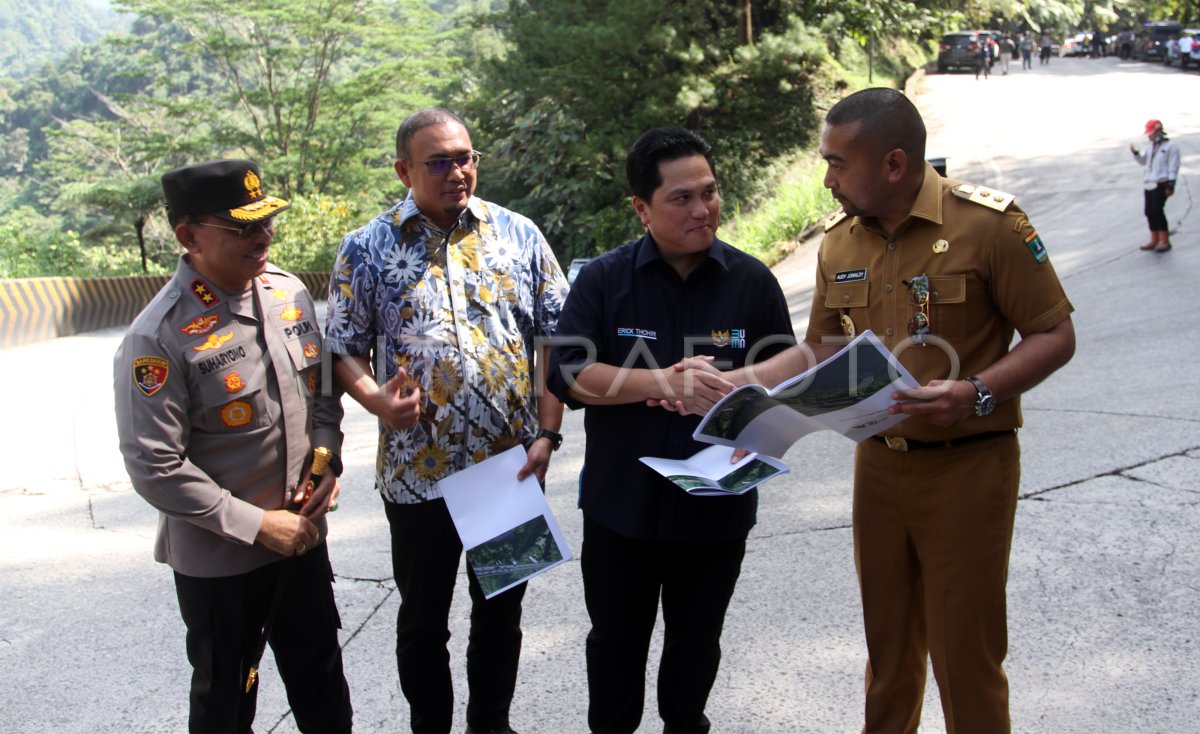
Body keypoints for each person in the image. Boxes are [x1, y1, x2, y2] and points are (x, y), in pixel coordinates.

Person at [671, 88, 1076, 733]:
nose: (826, 179)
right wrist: (742, 390)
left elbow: (1056, 336)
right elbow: (818, 351)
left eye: (837, 164)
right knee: (888, 653)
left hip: (968, 466)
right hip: (879, 469)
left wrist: (975, 392)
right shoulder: (840, 243)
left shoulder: (988, 226)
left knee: (964, 657)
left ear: (893, 164)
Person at [325, 107, 568, 734]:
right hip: (415, 472)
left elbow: (555, 340)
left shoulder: (518, 234)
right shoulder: (366, 247)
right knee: (423, 621)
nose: (458, 171)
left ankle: (492, 723)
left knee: (501, 615)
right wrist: (375, 400)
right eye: (440, 161)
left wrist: (547, 432)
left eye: (466, 158)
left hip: (508, 465)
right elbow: (343, 347)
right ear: (404, 169)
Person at [547, 126, 794, 734]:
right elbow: (568, 373)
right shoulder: (604, 280)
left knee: (696, 644)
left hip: (716, 505)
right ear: (642, 208)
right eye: (681, 198)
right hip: (620, 508)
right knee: (614, 647)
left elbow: (796, 360)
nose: (702, 209)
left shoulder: (750, 279)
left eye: (709, 192)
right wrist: (662, 382)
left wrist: (737, 380)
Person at [114, 159, 353, 733]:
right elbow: (155, 465)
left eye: (266, 222)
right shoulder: (158, 336)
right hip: (223, 563)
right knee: (228, 698)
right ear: (188, 236)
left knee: (322, 688)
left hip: (300, 541)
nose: (262, 235)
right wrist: (256, 525)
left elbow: (320, 396)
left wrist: (324, 462)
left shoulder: (287, 292)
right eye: (242, 228)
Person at [1131, 119, 1181, 253]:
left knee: (1157, 211)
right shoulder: (1150, 146)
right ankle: (1154, 238)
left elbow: (1173, 166)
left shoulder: (1170, 147)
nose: (1149, 136)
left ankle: (1164, 240)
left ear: (1159, 132)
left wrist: (1171, 184)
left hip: (1161, 182)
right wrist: (1136, 154)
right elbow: (1143, 162)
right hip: (1149, 182)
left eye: (1151, 133)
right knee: (1148, 211)